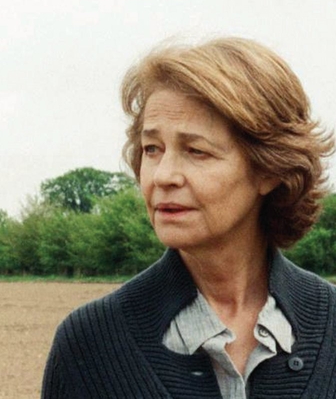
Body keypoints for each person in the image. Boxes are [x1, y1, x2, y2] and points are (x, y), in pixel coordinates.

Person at [41, 37, 336, 398]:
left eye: (196, 151)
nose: (163, 176)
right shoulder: (90, 345)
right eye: (152, 149)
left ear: (269, 169)